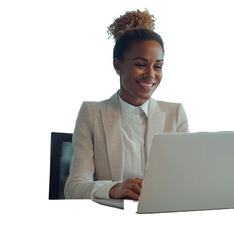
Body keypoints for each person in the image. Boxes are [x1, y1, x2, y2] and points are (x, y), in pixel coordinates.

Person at [64, 9, 189, 207]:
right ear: (117, 66)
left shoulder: (175, 114)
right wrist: (115, 189)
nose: (151, 74)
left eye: (157, 66)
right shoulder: (92, 113)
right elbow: (74, 187)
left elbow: (185, 181)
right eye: (140, 64)